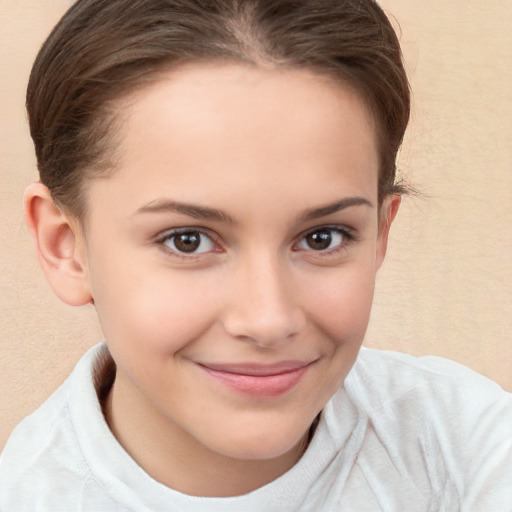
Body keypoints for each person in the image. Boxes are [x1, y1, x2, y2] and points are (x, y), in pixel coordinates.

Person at [0, 0, 510, 510]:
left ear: (380, 233)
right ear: (64, 246)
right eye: (187, 240)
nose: (268, 321)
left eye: (322, 237)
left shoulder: (471, 448)